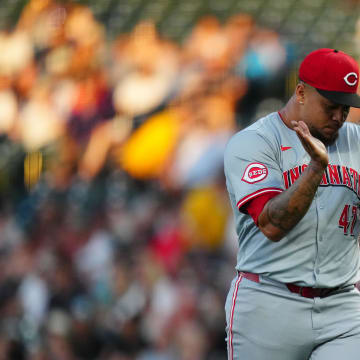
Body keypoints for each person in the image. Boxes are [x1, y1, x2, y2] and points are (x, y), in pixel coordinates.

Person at [223, 48, 360, 360]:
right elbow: (272, 224)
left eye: (346, 108)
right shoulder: (255, 142)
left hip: (343, 307)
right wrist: (315, 170)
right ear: (301, 92)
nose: (339, 116)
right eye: (330, 106)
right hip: (269, 302)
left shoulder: (357, 141)